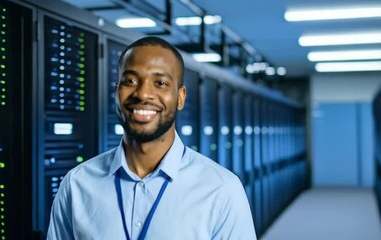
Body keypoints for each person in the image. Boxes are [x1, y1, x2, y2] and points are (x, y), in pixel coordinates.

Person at [47, 36, 256, 240]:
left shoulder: (221, 189)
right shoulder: (76, 184)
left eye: (160, 83)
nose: (143, 93)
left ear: (180, 97)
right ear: (116, 91)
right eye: (130, 80)